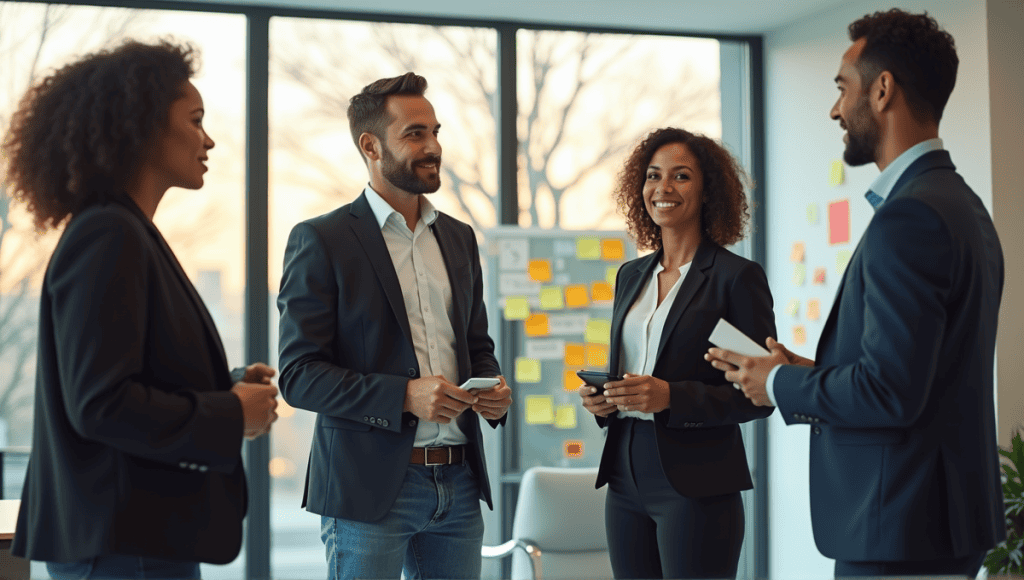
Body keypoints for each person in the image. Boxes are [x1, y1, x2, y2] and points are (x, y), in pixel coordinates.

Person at [706, 9, 1005, 578]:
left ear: (883, 89)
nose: (836, 108)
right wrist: (811, 370)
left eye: (843, 88)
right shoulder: (962, 206)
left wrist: (775, 381)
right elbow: (918, 372)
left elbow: (891, 392)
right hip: (939, 521)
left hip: (899, 525)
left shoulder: (910, 217)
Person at [1, 40, 280, 579]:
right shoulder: (108, 235)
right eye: (195, 120)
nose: (210, 139)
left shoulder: (124, 232)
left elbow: (129, 376)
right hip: (120, 546)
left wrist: (229, 387)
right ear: (143, 125)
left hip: (136, 536)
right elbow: (102, 404)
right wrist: (231, 414)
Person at [276, 71, 512, 580]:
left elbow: (475, 344)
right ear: (371, 146)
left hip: (460, 482)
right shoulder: (323, 240)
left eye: (435, 131)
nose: (432, 147)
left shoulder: (458, 238)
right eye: (414, 134)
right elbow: (298, 375)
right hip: (369, 490)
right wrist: (404, 395)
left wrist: (493, 387)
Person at [577, 127, 776, 579]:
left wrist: (671, 398)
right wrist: (604, 401)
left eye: (681, 176)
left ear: (708, 191)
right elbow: (632, 370)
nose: (663, 188)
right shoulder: (631, 276)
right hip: (625, 476)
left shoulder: (734, 279)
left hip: (697, 483)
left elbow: (759, 394)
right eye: (653, 176)